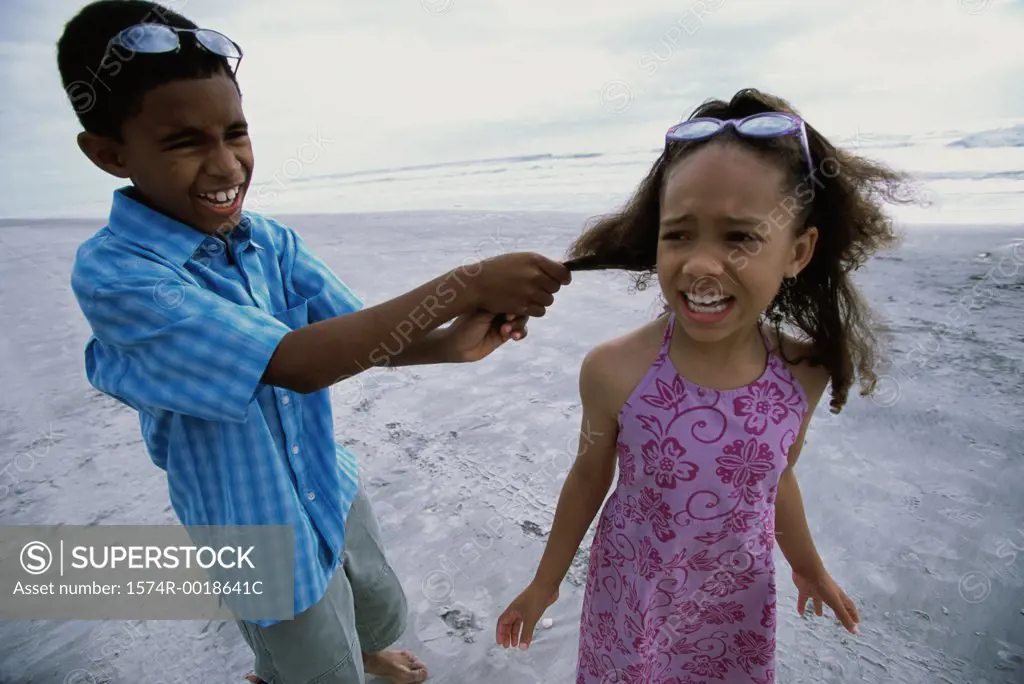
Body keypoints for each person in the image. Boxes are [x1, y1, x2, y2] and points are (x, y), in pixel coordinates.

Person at [56, 2, 571, 683]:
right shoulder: (118, 277)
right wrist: (470, 281)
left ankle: (368, 652)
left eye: (235, 132)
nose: (224, 164)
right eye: (184, 143)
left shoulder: (268, 239)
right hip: (251, 522)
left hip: (325, 479)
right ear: (109, 154)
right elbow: (294, 363)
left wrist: (449, 343)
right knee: (307, 656)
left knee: (373, 600)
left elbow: (353, 334)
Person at [496, 88, 919, 682]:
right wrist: (545, 584)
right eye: (679, 234)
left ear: (797, 251)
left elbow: (778, 478)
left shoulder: (803, 374)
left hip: (734, 606)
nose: (699, 264)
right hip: (634, 596)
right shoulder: (614, 369)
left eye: (740, 237)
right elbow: (590, 474)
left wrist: (807, 567)